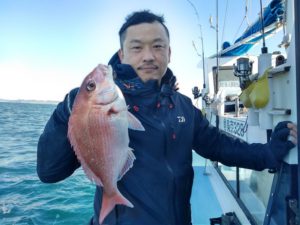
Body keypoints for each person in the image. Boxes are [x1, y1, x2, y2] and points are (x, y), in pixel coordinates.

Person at [37, 10, 297, 225]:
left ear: (169, 53)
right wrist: (69, 110)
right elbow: (49, 172)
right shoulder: (91, 108)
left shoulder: (183, 106)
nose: (149, 56)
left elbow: (219, 146)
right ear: (122, 55)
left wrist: (269, 154)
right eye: (136, 47)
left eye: (158, 46)